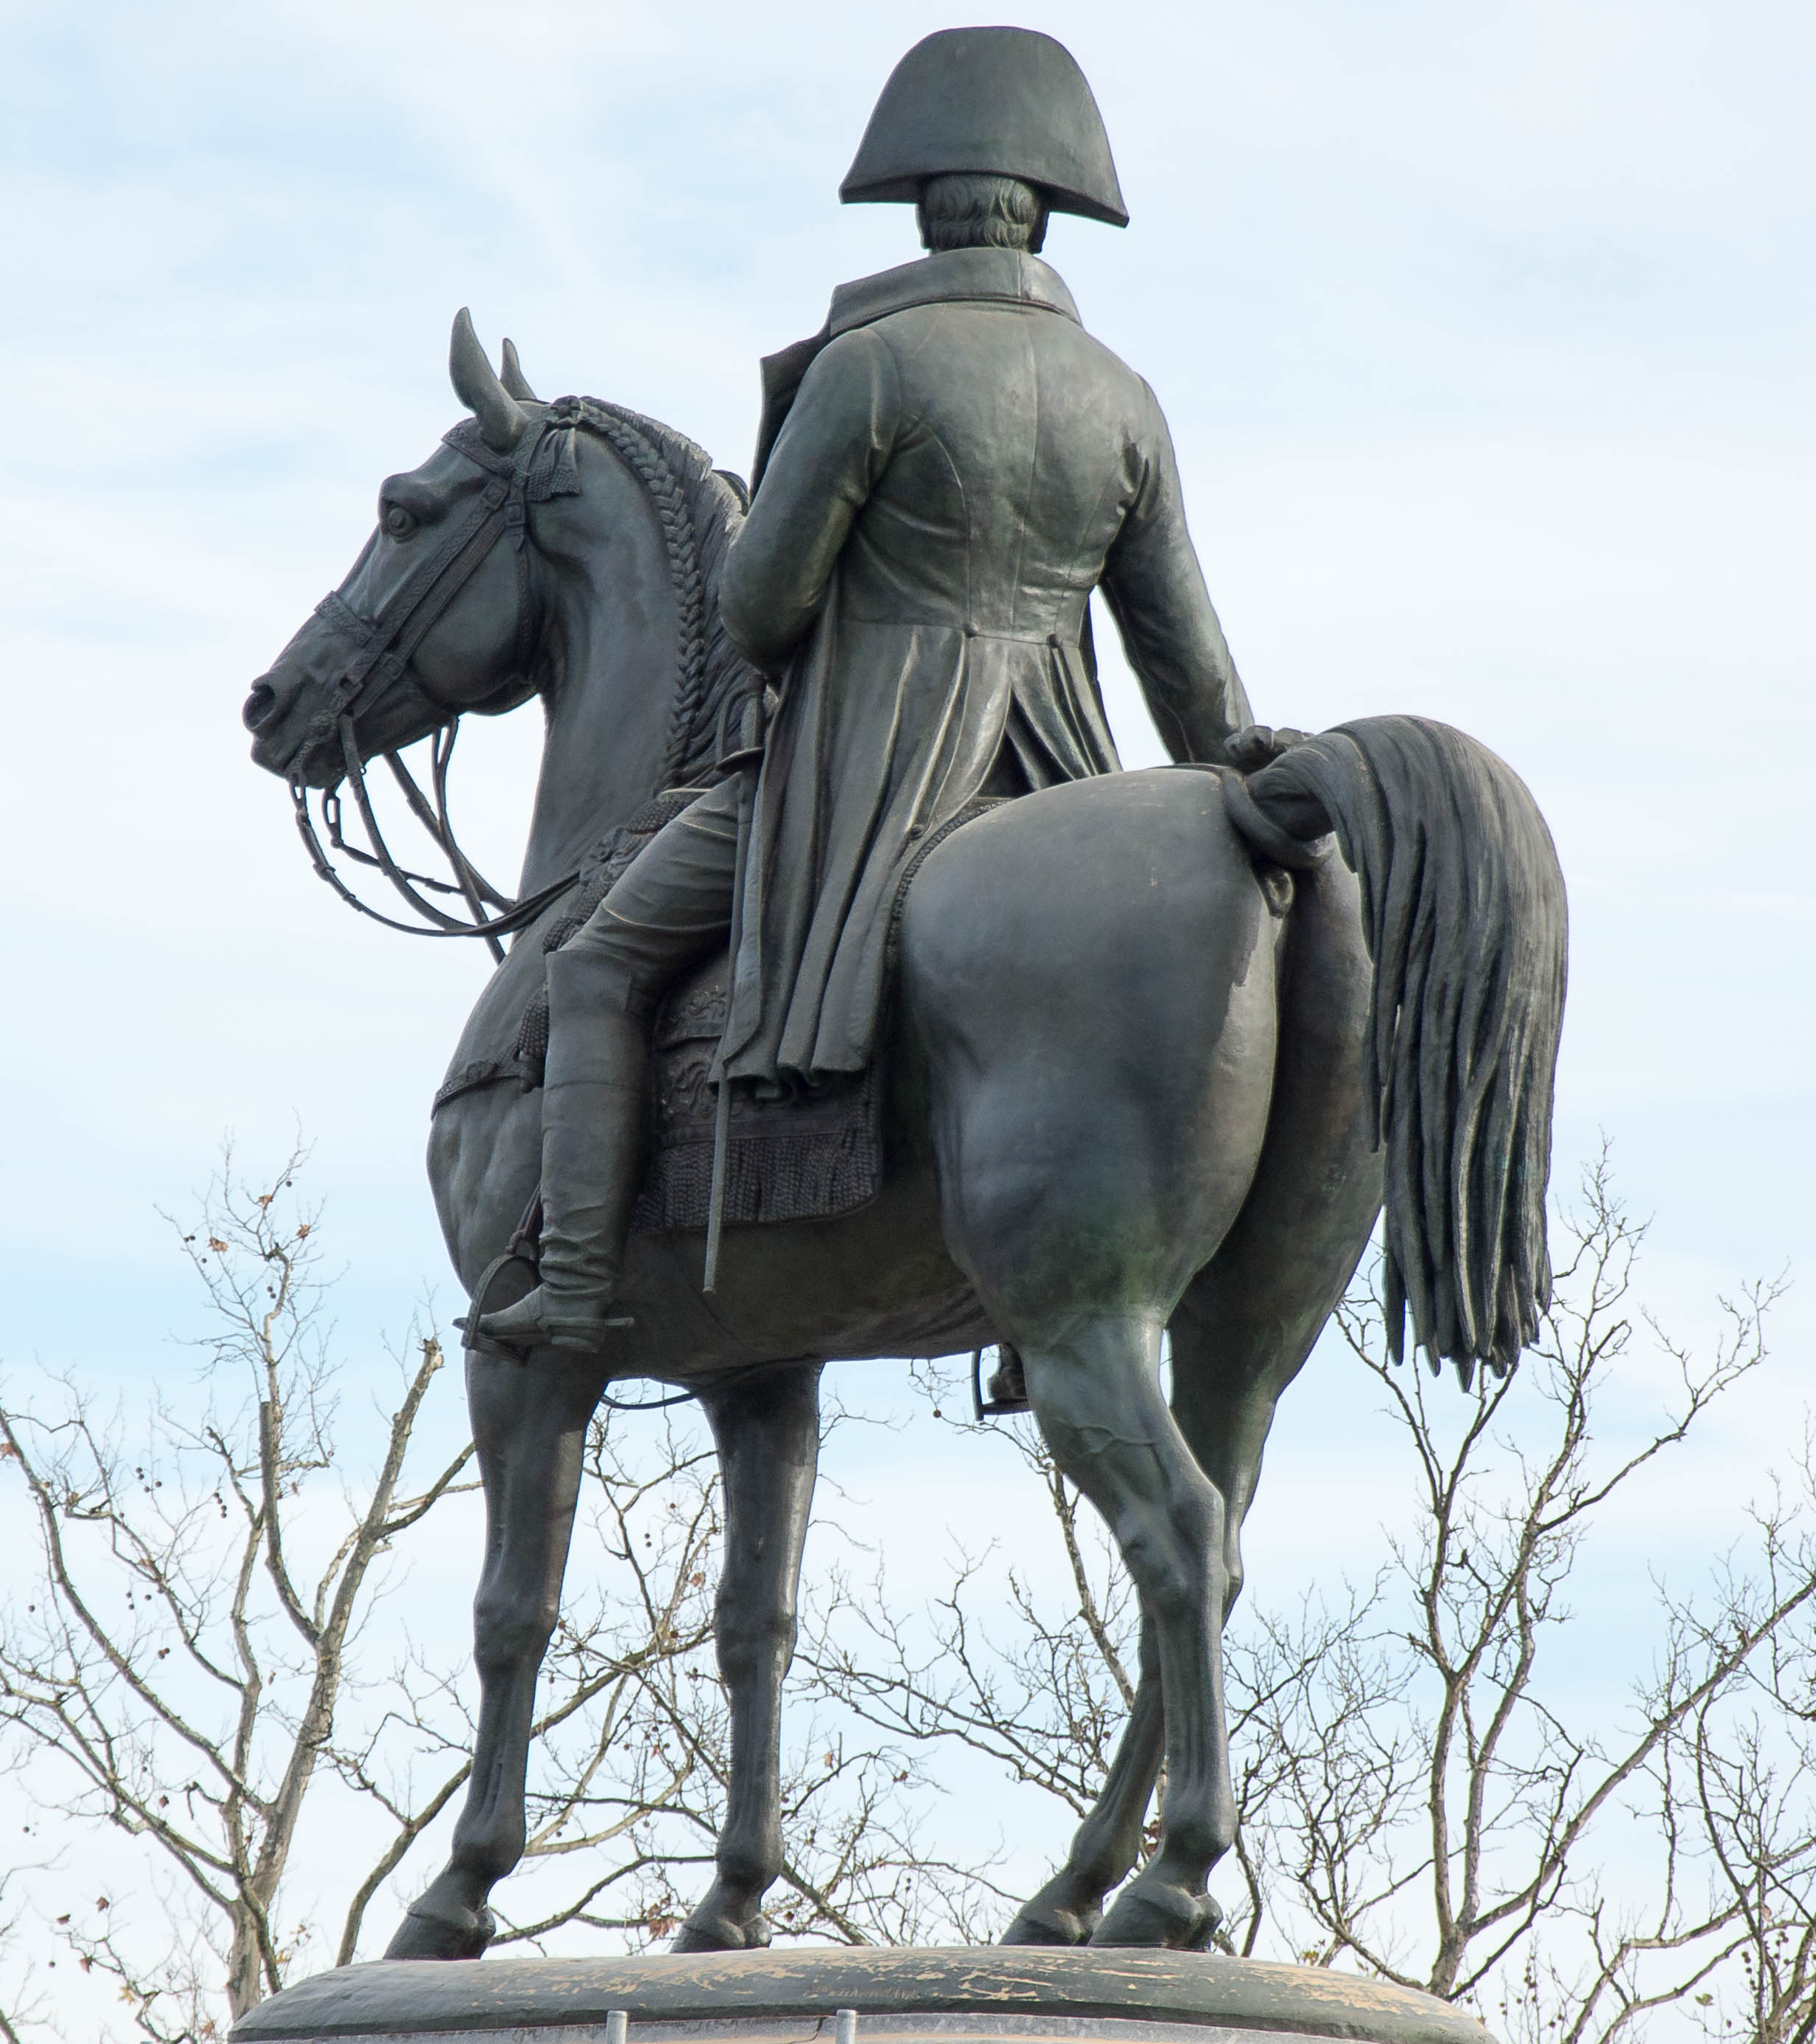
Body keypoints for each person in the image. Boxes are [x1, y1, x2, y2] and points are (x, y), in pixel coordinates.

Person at [479, 27, 1255, 1350]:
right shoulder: (1121, 396)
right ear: (1046, 217)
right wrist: (1230, 765)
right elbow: (1181, 653)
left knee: (598, 964)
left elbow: (757, 608)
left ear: (918, 202)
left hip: (864, 766)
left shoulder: (870, 365)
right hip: (1053, 775)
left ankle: (567, 1287)